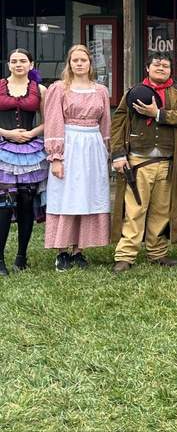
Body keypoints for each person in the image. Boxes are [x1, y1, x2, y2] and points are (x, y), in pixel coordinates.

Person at [110, 52, 177, 272]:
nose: (161, 68)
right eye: (156, 64)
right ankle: (126, 255)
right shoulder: (132, 92)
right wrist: (118, 154)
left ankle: (157, 253)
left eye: (165, 65)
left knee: (161, 211)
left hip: (168, 161)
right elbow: (118, 123)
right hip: (138, 160)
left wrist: (158, 114)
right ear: (147, 68)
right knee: (135, 209)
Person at [43, 45, 111, 271]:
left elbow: (106, 124)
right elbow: (53, 121)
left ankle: (79, 250)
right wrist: (56, 157)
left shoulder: (100, 90)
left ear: (90, 63)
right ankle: (62, 251)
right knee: (66, 196)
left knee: (87, 196)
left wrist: (106, 150)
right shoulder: (59, 89)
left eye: (83, 60)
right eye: (75, 60)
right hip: (69, 144)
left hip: (93, 147)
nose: (79, 64)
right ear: (69, 64)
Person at [0, 49, 47, 275]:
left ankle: (21, 256)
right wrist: (7, 133)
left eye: (23, 61)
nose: (18, 64)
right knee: (4, 206)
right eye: (14, 61)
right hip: (3, 150)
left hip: (29, 151)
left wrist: (31, 133)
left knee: (26, 203)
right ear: (9, 65)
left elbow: (49, 120)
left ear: (31, 64)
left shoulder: (40, 89)